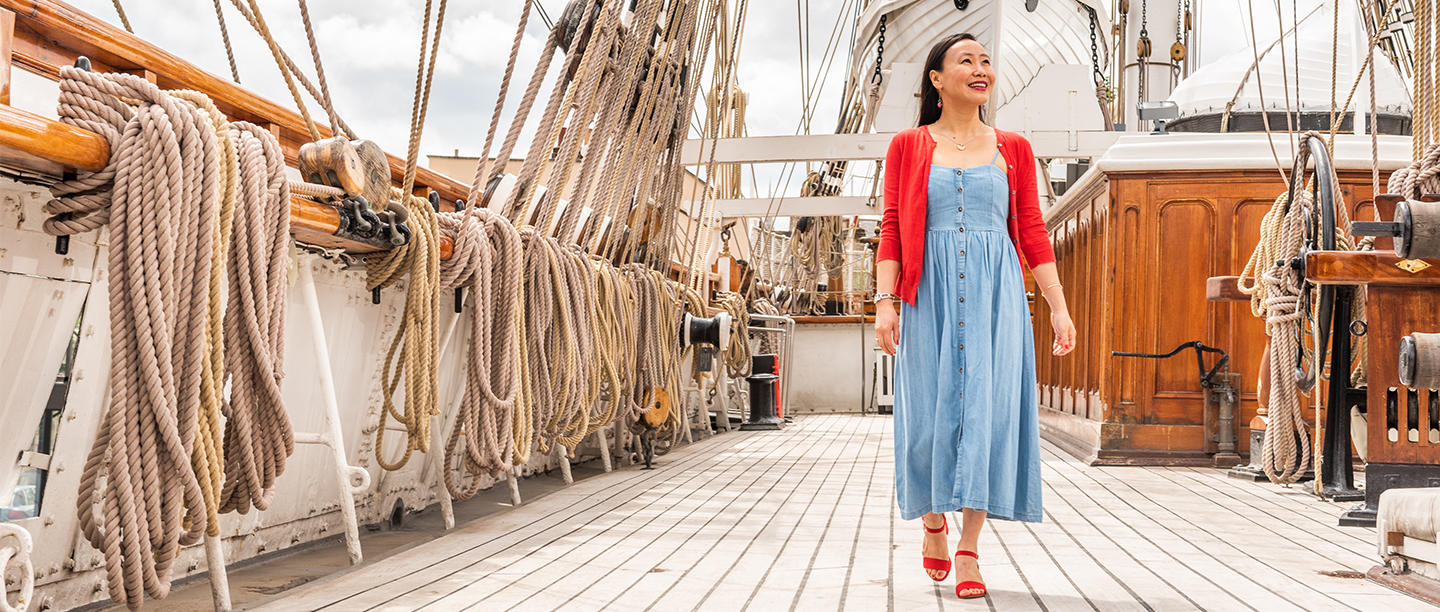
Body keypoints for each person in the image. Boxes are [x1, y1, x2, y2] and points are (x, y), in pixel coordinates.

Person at [873, 32, 1077, 600]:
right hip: (926, 295)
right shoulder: (908, 146)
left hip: (996, 297)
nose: (981, 68)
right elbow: (891, 227)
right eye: (966, 61)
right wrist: (884, 303)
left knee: (988, 415)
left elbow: (1031, 231)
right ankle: (931, 521)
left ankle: (968, 547)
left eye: (986, 61)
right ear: (937, 80)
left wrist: (1059, 308)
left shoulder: (1013, 147)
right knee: (926, 418)